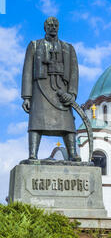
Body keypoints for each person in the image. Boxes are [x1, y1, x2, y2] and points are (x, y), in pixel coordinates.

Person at [21, 17, 81, 161]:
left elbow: (74, 73)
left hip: (62, 91)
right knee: (36, 122)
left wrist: (72, 93)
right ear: (45, 27)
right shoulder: (34, 46)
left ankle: (73, 154)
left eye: (55, 25)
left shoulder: (68, 48)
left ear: (58, 27)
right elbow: (27, 72)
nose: (53, 27)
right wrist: (26, 97)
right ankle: (32, 154)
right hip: (40, 90)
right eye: (50, 25)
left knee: (68, 123)